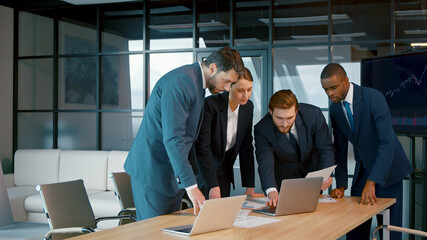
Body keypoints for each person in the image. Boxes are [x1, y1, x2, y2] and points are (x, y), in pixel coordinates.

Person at [124, 47, 245, 220]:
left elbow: (191, 139)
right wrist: (191, 186)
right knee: (152, 234)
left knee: (170, 232)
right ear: (212, 68)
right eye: (226, 81)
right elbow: (175, 138)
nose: (227, 88)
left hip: (172, 176)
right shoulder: (181, 82)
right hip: (153, 172)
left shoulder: (196, 83)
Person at [320, 63, 412, 240]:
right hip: (364, 169)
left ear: (346, 81)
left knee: (389, 232)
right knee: (355, 229)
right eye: (325, 90)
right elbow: (340, 148)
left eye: (333, 87)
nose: (330, 93)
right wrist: (340, 184)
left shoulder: (373, 98)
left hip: (388, 169)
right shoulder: (335, 108)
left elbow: (387, 142)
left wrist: (373, 181)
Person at [254, 89, 334, 207]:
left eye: (289, 118)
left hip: (313, 178)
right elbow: (265, 161)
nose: (285, 124)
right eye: (279, 118)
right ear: (271, 112)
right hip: (284, 183)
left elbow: (325, 149)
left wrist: (324, 175)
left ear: (296, 111)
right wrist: (271, 191)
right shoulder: (262, 129)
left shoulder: (313, 115)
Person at [195, 67, 264, 199]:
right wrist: (212, 185)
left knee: (223, 216)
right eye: (240, 90)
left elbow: (246, 146)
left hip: (225, 172)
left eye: (249, 90)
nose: (246, 95)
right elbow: (202, 147)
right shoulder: (210, 105)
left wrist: (250, 186)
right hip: (204, 173)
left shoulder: (248, 107)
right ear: (229, 87)